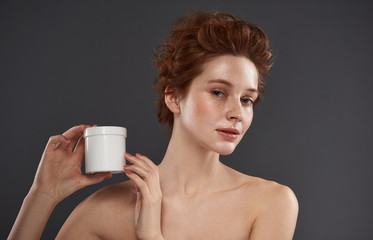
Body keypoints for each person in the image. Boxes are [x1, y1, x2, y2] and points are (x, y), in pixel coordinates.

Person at [8, 11, 298, 240]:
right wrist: (42, 196)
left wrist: (152, 235)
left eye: (247, 99)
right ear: (173, 97)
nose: (237, 113)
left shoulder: (270, 204)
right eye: (218, 92)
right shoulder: (105, 208)